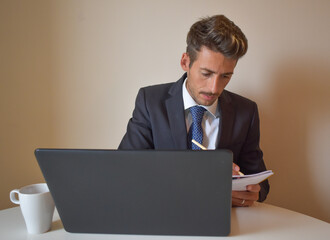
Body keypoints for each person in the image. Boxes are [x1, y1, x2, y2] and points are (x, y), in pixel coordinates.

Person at [119, 15, 269, 206]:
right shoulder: (150, 102)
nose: (214, 88)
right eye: (206, 74)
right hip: (161, 212)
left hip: (220, 220)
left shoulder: (246, 112)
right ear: (185, 62)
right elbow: (124, 170)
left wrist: (252, 191)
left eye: (225, 76)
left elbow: (261, 182)